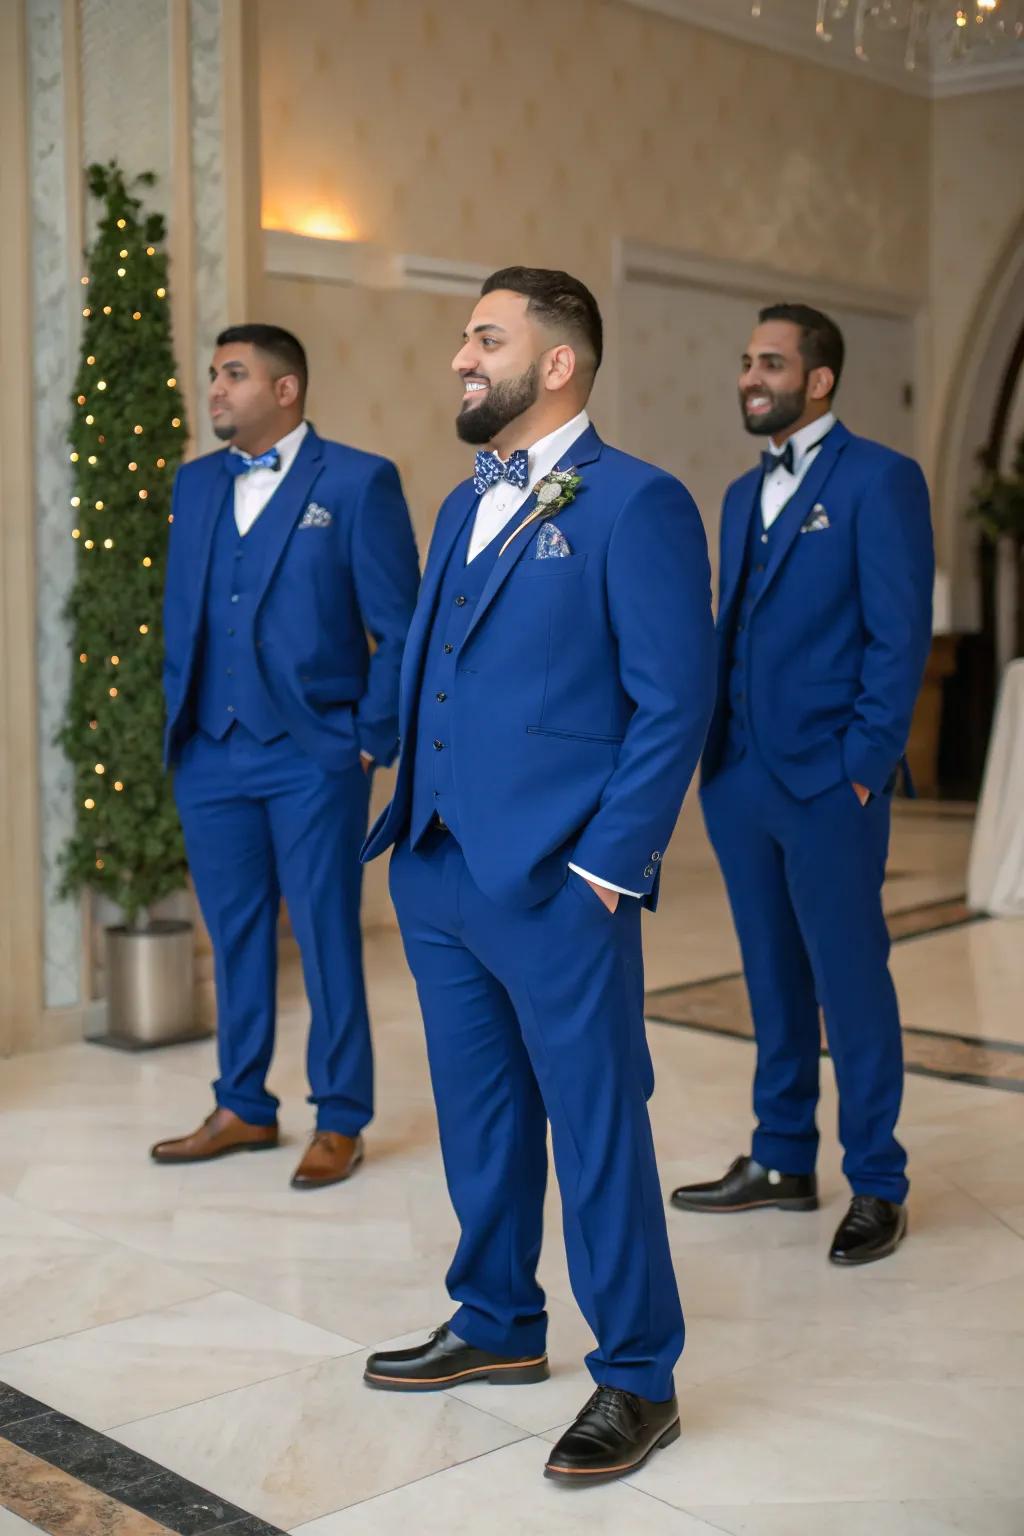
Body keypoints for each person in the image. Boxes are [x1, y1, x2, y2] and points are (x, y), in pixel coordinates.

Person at [360, 267, 716, 1484]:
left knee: (595, 1124)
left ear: (556, 363)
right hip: (438, 867)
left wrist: (607, 869)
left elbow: (673, 701)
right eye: (465, 338)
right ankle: (499, 1319)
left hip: (561, 883)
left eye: (486, 339)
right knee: (480, 1113)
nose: (461, 358)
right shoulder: (462, 502)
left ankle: (639, 1376)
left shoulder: (639, 503)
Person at [671, 304, 934, 1265]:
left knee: (850, 980)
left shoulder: (880, 479)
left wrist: (862, 769)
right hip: (741, 776)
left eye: (772, 364)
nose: (751, 377)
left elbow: (899, 636)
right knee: (771, 977)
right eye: (748, 361)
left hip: (829, 782)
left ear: (819, 380)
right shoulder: (742, 494)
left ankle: (878, 1181)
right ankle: (782, 1157)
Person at [153, 324, 419, 1188]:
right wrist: (180, 719)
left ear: (285, 389)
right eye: (214, 374)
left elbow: (401, 627)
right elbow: (185, 613)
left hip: (313, 755)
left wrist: (368, 741)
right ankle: (243, 1105)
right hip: (210, 751)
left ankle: (340, 1116)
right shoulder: (196, 484)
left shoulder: (356, 482)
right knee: (234, 936)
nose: (215, 389)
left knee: (326, 936)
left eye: (233, 374)